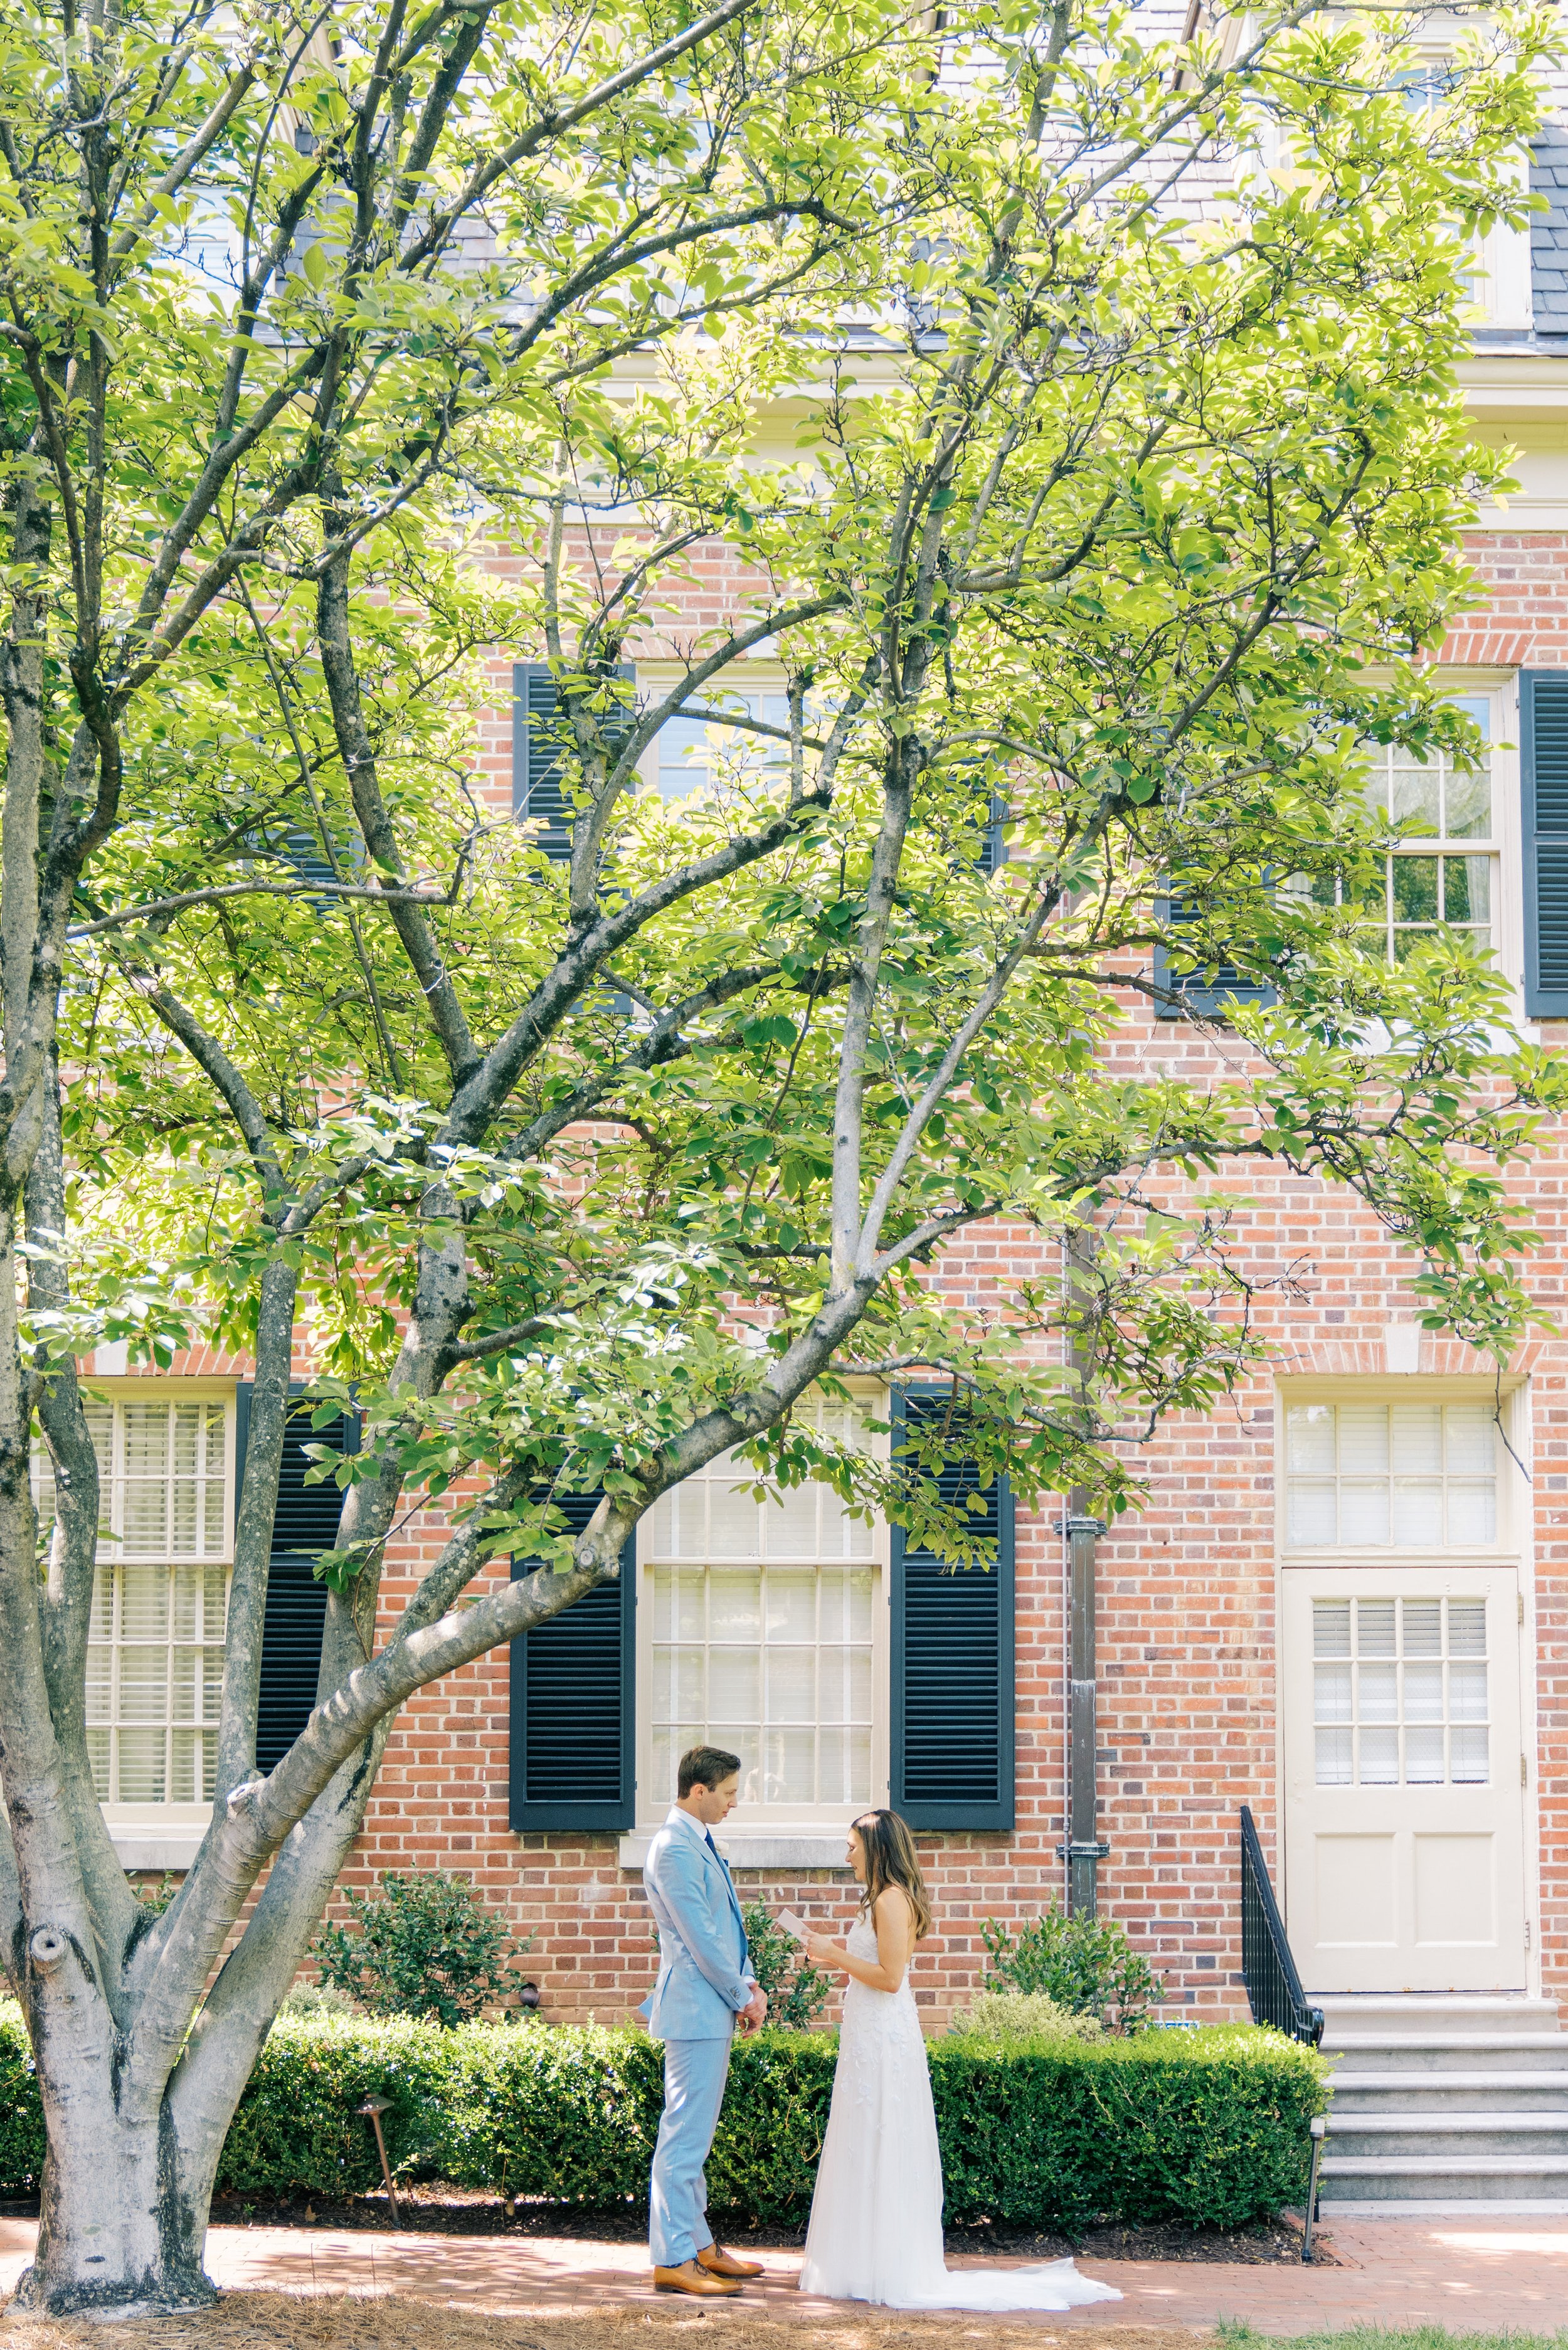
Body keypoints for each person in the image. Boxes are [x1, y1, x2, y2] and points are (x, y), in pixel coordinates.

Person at [797, 1809, 1122, 2313]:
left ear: (877, 1849)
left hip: (883, 2039)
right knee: (863, 2138)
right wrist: (833, 1952)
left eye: (853, 1847)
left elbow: (889, 1977)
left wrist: (834, 1954)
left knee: (880, 2134)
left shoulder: (890, 1899)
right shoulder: (881, 1899)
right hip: (869, 2035)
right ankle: (862, 2260)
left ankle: (884, 2264)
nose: (848, 1856)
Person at [640, 1744, 770, 2298]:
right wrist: (743, 1994)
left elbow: (726, 1925)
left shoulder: (696, 1841)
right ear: (700, 1790)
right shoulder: (673, 1847)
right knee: (684, 2136)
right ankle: (673, 2257)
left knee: (696, 2135)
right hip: (695, 2007)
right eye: (729, 1793)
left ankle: (699, 2245)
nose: (733, 1804)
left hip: (708, 2004)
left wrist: (749, 1980)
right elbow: (700, 1937)